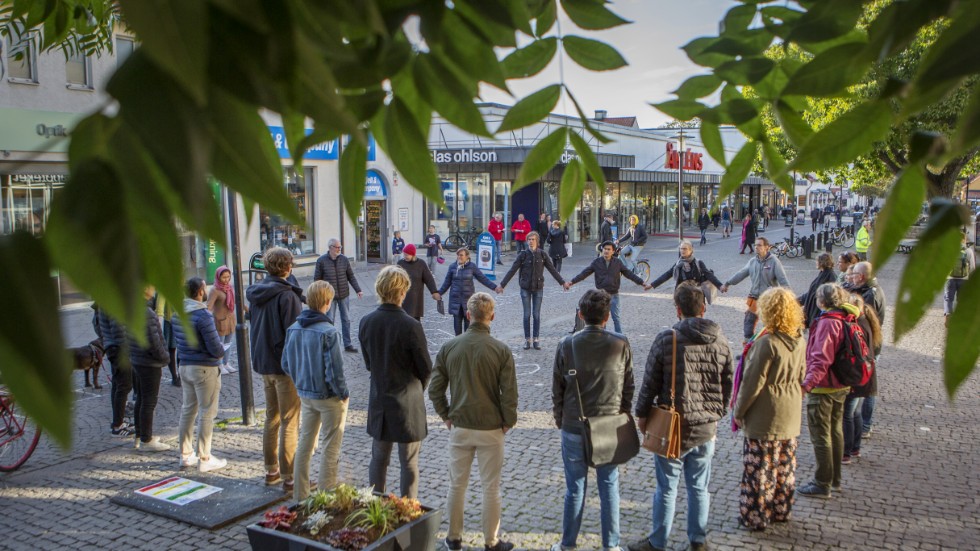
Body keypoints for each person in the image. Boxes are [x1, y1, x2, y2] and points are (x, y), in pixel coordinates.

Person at [629, 283, 734, 551]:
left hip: (672, 426)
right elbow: (728, 384)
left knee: (666, 488)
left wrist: (641, 415)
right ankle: (698, 540)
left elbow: (649, 383)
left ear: (677, 310)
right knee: (699, 487)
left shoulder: (668, 338)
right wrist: (717, 413)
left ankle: (658, 541)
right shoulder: (721, 341)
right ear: (703, 308)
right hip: (706, 426)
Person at [430, 292, 517, 551]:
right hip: (491, 427)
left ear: (468, 315)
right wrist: (507, 421)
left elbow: (435, 389)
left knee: (457, 485)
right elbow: (509, 393)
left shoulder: (450, 347)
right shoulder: (501, 350)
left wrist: (446, 415)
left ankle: (454, 538)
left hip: (460, 426)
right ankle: (491, 541)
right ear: (492, 316)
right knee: (491, 487)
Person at [551, 290, 633, 551]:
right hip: (609, 424)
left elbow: (557, 389)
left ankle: (567, 544)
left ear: (580, 315)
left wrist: (560, 419)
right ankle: (612, 545)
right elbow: (628, 387)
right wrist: (622, 415)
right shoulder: (621, 344)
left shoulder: (567, 344)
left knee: (574, 488)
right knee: (609, 487)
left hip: (574, 424)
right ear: (607, 317)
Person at [732, 288, 806, 531]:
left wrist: (738, 412)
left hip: (766, 415)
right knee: (784, 466)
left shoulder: (766, 343)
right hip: (791, 411)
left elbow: (751, 384)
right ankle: (781, 509)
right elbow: (802, 375)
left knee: (760, 470)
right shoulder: (798, 339)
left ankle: (755, 516)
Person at [359, 266, 433, 498]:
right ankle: (408, 509)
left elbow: (369, 362)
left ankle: (375, 505)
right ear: (403, 292)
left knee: (378, 459)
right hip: (407, 402)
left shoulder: (366, 321)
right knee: (408, 463)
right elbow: (426, 368)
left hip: (380, 397)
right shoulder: (411, 325)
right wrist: (417, 387)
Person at [282, 281, 349, 501]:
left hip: (306, 394)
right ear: (328, 303)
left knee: (305, 444)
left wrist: (300, 381)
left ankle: (300, 496)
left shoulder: (294, 328)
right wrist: (343, 393)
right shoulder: (329, 332)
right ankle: (325, 497)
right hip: (328, 397)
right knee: (330, 445)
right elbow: (334, 371)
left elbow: (286, 363)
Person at [246, 247, 304, 490]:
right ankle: (290, 477)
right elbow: (295, 335)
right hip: (283, 366)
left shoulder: (257, 292)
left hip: (264, 363)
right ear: (287, 267)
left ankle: (271, 471)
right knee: (289, 420)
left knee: (272, 417)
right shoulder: (287, 296)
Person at [798, 283, 852, 498]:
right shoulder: (845, 317)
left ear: (822, 301)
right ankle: (835, 478)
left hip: (824, 386)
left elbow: (821, 358)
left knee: (821, 435)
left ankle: (823, 482)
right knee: (835, 430)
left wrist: (807, 385)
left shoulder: (828, 323)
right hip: (841, 383)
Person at [173, 277, 227, 472]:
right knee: (207, 411)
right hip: (204, 367)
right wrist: (222, 350)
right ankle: (204, 456)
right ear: (200, 292)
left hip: (185, 365)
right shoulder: (203, 315)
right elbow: (215, 347)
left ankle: (185, 454)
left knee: (188, 409)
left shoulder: (177, 314)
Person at [565, 240, 652, 334]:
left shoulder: (617, 262)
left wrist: (642, 282)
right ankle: (601, 336)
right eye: (604, 249)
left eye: (608, 249)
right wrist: (572, 282)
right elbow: (584, 273)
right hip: (601, 296)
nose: (606, 251)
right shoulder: (596, 262)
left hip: (614, 295)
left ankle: (620, 336)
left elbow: (629, 274)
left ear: (613, 251)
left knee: (616, 318)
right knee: (601, 319)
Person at [500, 231, 565, 350]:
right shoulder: (523, 255)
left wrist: (562, 282)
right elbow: (512, 270)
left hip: (538, 288)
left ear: (537, 241)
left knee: (536, 315)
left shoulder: (543, 255)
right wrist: (502, 285)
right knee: (526, 315)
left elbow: (553, 270)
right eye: (529, 239)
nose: (530, 241)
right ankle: (527, 340)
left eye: (533, 239)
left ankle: (536, 339)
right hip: (525, 288)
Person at [721, 237, 791, 343]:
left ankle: (767, 351)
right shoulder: (753, 261)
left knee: (768, 328)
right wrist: (727, 283)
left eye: (759, 245)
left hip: (768, 301)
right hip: (754, 298)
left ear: (767, 247)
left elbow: (783, 281)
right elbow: (741, 274)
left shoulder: (774, 262)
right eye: (755, 245)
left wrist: (789, 299)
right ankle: (748, 352)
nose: (756, 247)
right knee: (748, 325)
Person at [845, 261, 886, 438]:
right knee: (867, 386)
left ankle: (865, 424)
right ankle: (862, 423)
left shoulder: (871, 294)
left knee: (867, 388)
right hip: (868, 345)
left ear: (861, 276)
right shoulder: (867, 290)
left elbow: (866, 322)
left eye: (853, 274)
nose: (851, 277)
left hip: (868, 346)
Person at [841, 293, 882, 466]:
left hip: (857, 375)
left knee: (847, 415)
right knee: (855, 412)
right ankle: (855, 447)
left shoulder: (857, 325)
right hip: (867, 374)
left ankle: (847, 451)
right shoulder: (867, 322)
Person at [130, 286, 171, 452]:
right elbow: (155, 341)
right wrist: (165, 357)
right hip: (148, 362)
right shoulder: (147, 313)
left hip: (138, 360)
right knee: (148, 400)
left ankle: (140, 435)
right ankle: (146, 439)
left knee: (141, 398)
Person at [314, 238, 363, 353]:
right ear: (330, 247)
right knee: (329, 320)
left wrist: (358, 290)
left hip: (344, 294)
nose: (339, 249)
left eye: (340, 247)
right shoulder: (321, 261)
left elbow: (351, 276)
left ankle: (348, 344)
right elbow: (317, 280)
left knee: (346, 319)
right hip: (329, 297)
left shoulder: (344, 260)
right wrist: (319, 295)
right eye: (337, 247)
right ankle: (329, 344)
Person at [438, 248, 503, 336]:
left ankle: (467, 346)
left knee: (468, 328)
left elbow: (482, 278)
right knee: (457, 329)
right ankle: (458, 346)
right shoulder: (452, 267)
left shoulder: (472, 266)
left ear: (467, 256)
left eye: (461, 255)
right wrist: (439, 293)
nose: (459, 257)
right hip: (455, 301)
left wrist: (495, 287)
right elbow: (447, 282)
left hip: (468, 301)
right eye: (458, 255)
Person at [96, 305, 132, 437]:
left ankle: (118, 421)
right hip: (119, 348)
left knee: (118, 384)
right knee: (124, 385)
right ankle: (118, 425)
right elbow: (118, 329)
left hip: (113, 347)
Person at [650, 240, 724, 293]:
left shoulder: (698, 263)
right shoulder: (678, 264)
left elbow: (709, 275)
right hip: (681, 295)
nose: (682, 251)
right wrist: (652, 285)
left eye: (685, 249)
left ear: (691, 250)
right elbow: (667, 275)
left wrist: (720, 286)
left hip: (696, 294)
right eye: (681, 249)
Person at [397, 243, 441, 321]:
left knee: (415, 320)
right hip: (402, 297)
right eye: (404, 254)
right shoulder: (400, 263)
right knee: (402, 319)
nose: (405, 256)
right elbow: (394, 279)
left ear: (413, 255)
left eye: (407, 255)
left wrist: (434, 291)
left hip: (416, 297)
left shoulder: (421, 264)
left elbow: (429, 279)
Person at [207, 266, 238, 374]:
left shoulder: (230, 287)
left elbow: (236, 300)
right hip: (220, 321)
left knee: (228, 343)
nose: (226, 279)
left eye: (228, 277)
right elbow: (209, 306)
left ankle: (226, 363)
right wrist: (208, 320)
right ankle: (219, 364)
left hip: (230, 320)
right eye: (224, 277)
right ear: (218, 276)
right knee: (220, 344)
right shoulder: (214, 290)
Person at [798, 253, 837, 329]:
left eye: (817, 261)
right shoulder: (822, 273)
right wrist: (800, 300)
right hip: (813, 309)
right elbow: (812, 291)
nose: (816, 263)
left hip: (818, 311)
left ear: (821, 262)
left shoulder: (830, 275)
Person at [943, 231, 975, 325]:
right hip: (964, 279)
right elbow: (972, 267)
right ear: (964, 239)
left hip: (950, 278)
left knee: (948, 298)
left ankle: (948, 315)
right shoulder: (968, 250)